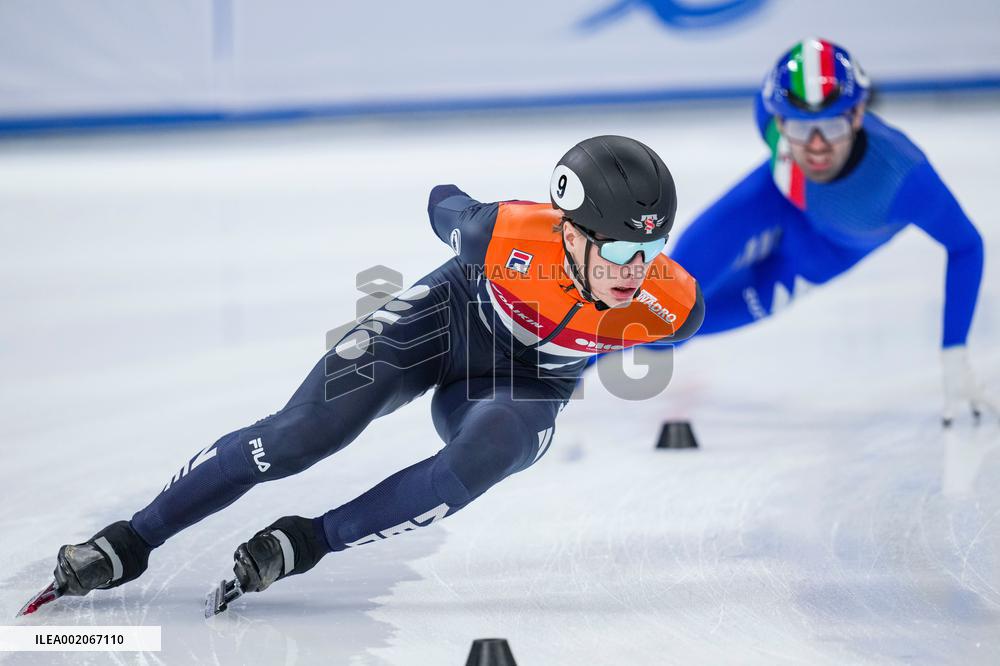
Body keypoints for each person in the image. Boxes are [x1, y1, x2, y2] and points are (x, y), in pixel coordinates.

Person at [25, 136, 704, 615]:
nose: (632, 269)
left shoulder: (672, 303)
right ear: (571, 232)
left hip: (517, 386)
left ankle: (305, 541)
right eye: (618, 248)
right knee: (296, 438)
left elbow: (662, 302)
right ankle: (131, 540)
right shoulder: (507, 235)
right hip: (443, 323)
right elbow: (444, 199)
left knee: (486, 454)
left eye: (650, 248)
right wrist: (471, 219)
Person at [667, 37, 992, 426]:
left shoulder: (904, 179)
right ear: (780, 121)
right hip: (773, 199)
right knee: (662, 299)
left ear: (857, 115)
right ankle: (575, 354)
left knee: (678, 328)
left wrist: (954, 352)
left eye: (832, 125)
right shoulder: (769, 117)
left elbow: (966, 246)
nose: (817, 147)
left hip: (819, 255)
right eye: (801, 130)